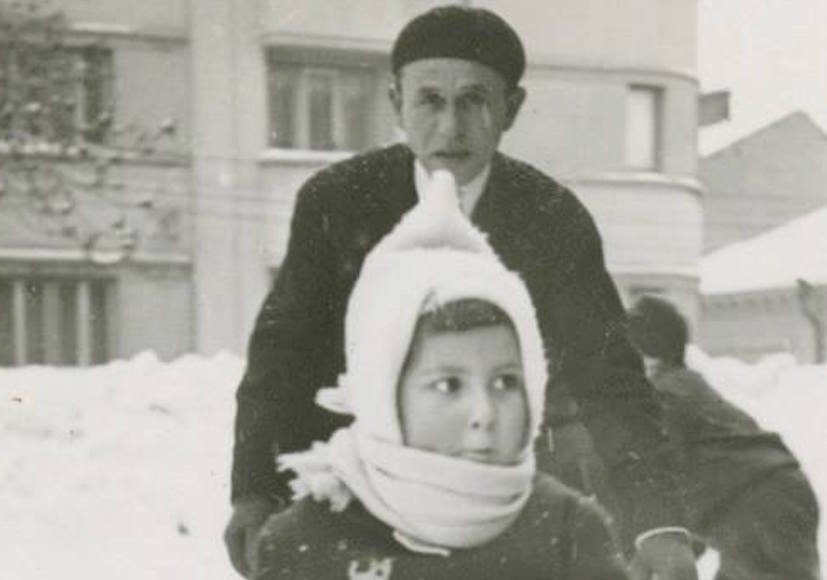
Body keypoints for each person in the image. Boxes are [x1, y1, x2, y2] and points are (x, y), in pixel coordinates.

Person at [225, 5, 696, 580]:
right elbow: (283, 357)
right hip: (362, 496)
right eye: (430, 100)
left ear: (511, 108)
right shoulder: (337, 202)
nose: (451, 127)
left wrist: (657, 523)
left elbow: (611, 381)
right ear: (396, 100)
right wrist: (254, 490)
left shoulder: (552, 218)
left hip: (497, 499)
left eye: (474, 101)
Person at [252, 170, 629, 580]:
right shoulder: (304, 541)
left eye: (505, 382)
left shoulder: (568, 533)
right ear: (384, 394)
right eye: (449, 385)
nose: (485, 412)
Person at [626, 295, 821, 580]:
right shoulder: (687, 388)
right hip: (776, 496)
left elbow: (660, 490)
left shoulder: (663, 398)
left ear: (649, 357)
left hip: (757, 507)